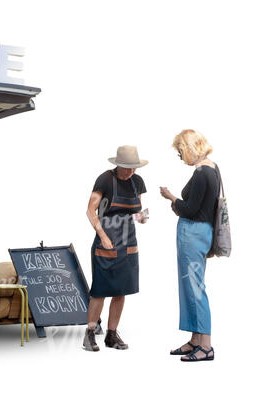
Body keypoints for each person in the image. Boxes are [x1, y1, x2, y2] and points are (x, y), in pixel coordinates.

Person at [160, 129, 219, 362]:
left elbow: (190, 209)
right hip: (201, 233)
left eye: (180, 152)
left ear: (188, 148)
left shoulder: (202, 172)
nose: (180, 156)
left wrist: (171, 198)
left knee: (195, 289)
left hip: (193, 234)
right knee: (191, 288)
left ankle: (206, 345)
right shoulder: (213, 168)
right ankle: (195, 340)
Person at [84, 145, 149, 351]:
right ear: (118, 165)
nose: (131, 172)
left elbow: (138, 211)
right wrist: (102, 236)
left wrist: (143, 217)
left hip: (128, 243)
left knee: (121, 291)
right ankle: (89, 334)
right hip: (106, 241)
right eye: (127, 168)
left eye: (134, 168)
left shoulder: (137, 181)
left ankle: (112, 335)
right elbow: (90, 210)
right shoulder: (105, 179)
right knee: (100, 291)